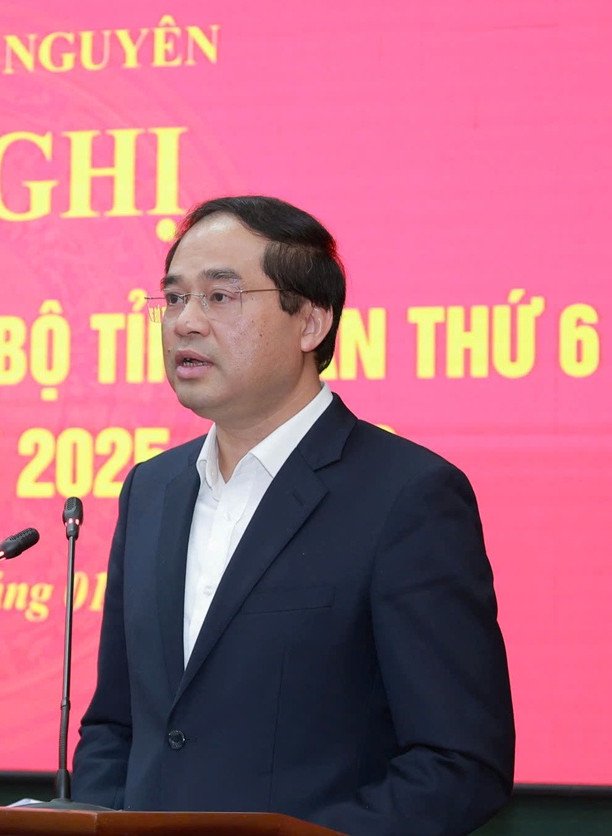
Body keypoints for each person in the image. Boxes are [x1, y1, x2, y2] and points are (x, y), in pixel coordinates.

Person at [70, 196, 515, 835]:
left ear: (310, 322)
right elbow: (117, 726)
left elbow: (459, 764)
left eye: (220, 297)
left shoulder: (407, 496)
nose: (185, 323)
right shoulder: (151, 489)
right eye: (173, 298)